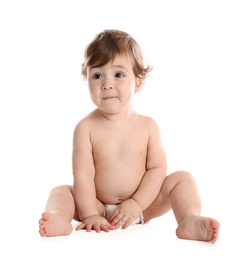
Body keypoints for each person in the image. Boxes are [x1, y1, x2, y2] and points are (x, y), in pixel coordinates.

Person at [38, 29, 220, 242]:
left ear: (139, 81)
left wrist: (137, 203)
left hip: (145, 205)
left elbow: (157, 169)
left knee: (183, 179)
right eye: (97, 75)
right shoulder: (85, 128)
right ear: (87, 79)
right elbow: (83, 176)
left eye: (118, 74)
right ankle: (60, 219)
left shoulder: (148, 126)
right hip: (97, 205)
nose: (107, 84)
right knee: (61, 192)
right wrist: (90, 214)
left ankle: (189, 219)